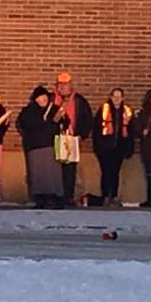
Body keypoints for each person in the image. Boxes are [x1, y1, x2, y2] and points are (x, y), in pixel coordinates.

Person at [17, 85, 65, 209]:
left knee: (52, 174)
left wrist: (62, 119)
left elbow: (64, 123)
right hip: (35, 146)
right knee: (38, 174)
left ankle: (53, 197)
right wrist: (46, 122)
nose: (42, 99)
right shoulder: (29, 111)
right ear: (35, 99)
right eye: (39, 97)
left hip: (51, 145)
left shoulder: (54, 109)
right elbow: (25, 125)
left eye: (44, 97)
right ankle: (40, 198)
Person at [52, 71, 94, 208]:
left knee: (70, 170)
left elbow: (87, 119)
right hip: (55, 139)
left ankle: (68, 197)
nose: (63, 87)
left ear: (71, 85)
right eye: (60, 85)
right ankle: (56, 196)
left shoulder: (79, 101)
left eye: (66, 84)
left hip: (72, 139)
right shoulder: (51, 100)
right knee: (55, 169)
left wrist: (81, 135)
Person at [92, 88, 134, 206]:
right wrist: (97, 147)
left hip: (119, 147)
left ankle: (114, 196)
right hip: (105, 147)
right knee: (105, 172)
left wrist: (128, 148)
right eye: (114, 96)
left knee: (115, 172)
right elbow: (96, 130)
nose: (116, 99)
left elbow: (131, 131)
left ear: (122, 98)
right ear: (110, 97)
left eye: (119, 96)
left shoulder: (127, 111)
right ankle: (105, 195)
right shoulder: (103, 110)